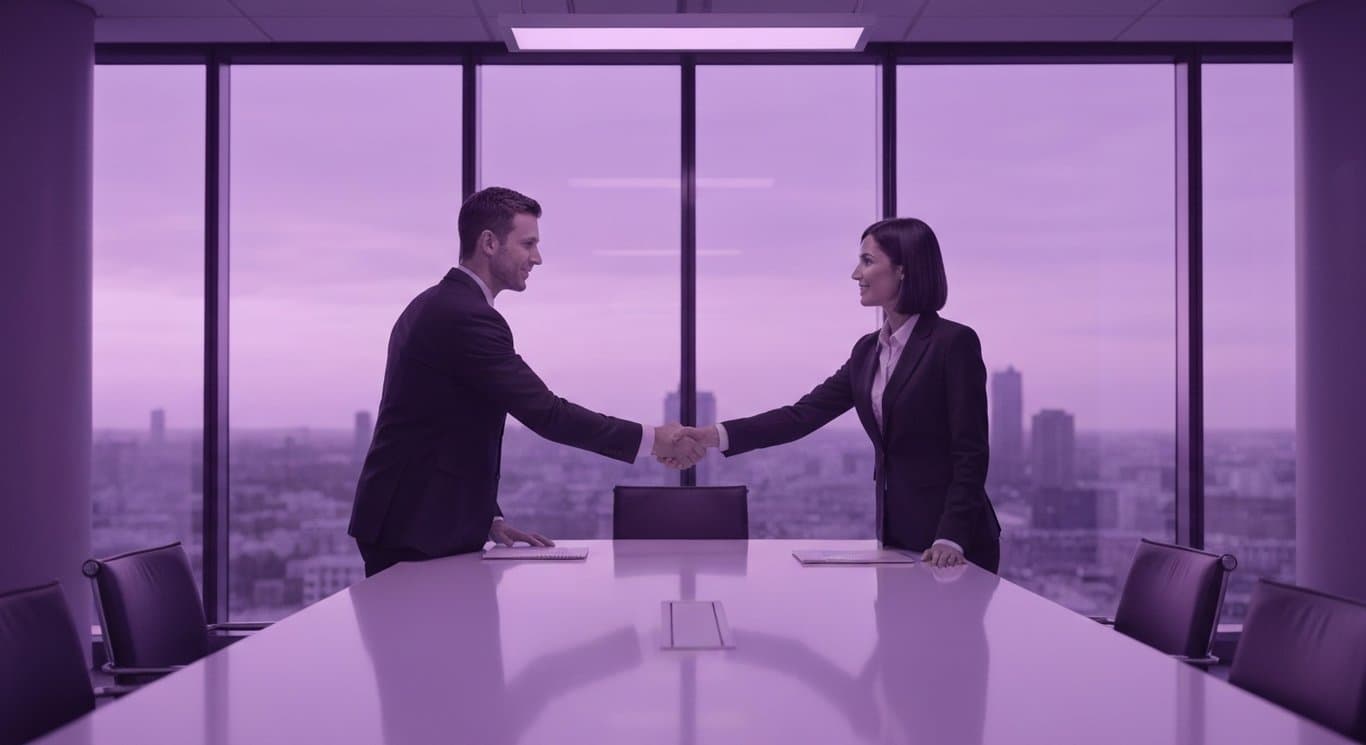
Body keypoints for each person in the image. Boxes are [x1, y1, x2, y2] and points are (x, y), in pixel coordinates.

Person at [349, 186, 703, 577]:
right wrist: (654, 439)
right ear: (489, 243)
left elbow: (444, 426)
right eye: (528, 244)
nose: (537, 258)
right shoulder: (466, 317)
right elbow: (547, 413)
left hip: (413, 521)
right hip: (416, 530)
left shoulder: (434, 304)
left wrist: (489, 518)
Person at [674, 217, 1002, 572]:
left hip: (955, 544)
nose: (856, 274)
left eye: (867, 261)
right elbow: (801, 416)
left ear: (902, 270)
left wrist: (950, 537)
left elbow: (970, 452)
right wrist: (711, 436)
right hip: (899, 538)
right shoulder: (867, 352)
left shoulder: (952, 343)